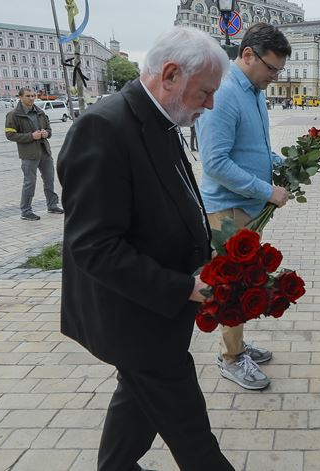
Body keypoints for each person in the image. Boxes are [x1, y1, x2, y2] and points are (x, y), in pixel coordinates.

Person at [56, 26, 235, 470]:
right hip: (134, 318)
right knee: (194, 439)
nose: (210, 104)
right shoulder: (103, 127)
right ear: (170, 75)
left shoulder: (162, 117)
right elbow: (94, 247)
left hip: (156, 314)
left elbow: (176, 199)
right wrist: (182, 288)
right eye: (205, 92)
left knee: (135, 407)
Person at [197, 23, 292, 390]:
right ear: (247, 55)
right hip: (227, 213)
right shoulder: (223, 95)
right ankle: (231, 358)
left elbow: (253, 148)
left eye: (279, 70)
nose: (274, 76)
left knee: (244, 281)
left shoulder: (253, 90)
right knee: (234, 288)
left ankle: (236, 343)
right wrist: (267, 191)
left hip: (248, 211)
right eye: (271, 68)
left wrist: (281, 164)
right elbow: (216, 163)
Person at [4, 87, 64, 221]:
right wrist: (31, 136)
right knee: (29, 182)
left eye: (33, 95)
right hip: (29, 154)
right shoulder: (13, 115)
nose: (31, 98)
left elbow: (49, 129)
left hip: (44, 152)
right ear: (20, 97)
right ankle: (26, 211)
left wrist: (46, 133)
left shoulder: (40, 112)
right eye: (28, 96)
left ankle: (52, 205)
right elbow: (10, 134)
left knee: (49, 180)